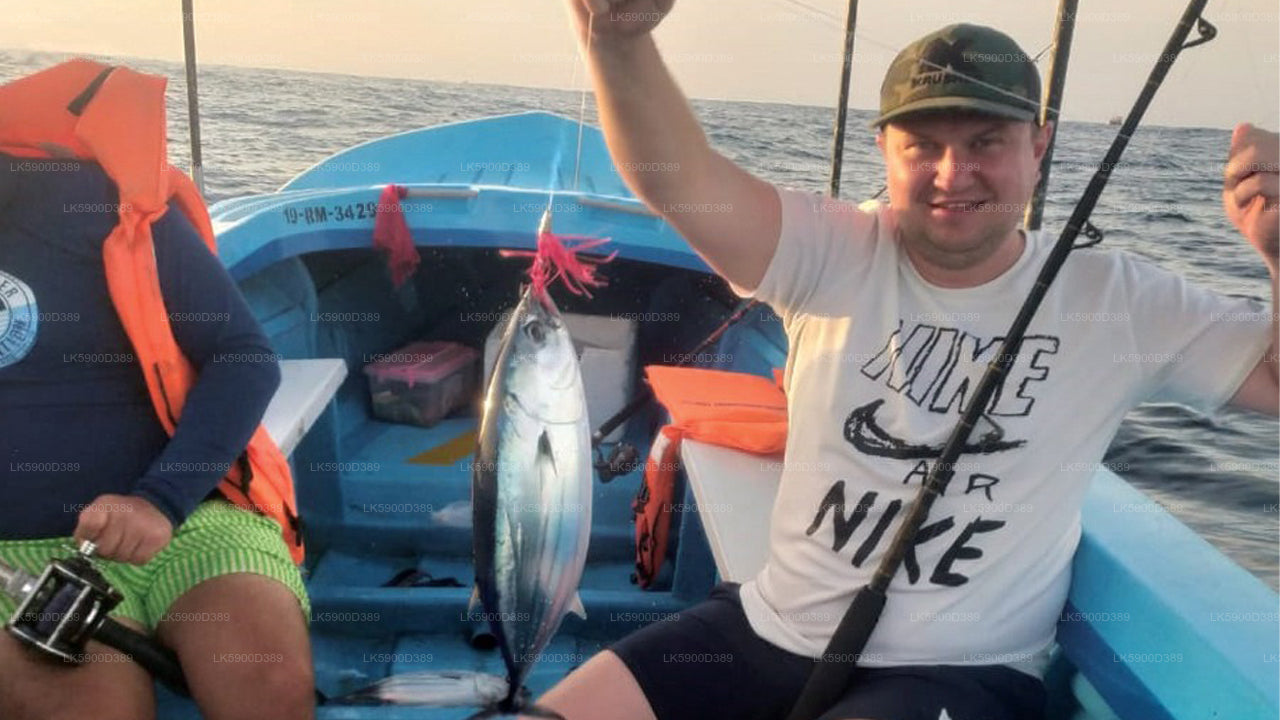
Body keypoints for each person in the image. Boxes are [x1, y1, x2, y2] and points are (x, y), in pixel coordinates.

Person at [538, 3, 1280, 720]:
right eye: (922, 144)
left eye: (986, 141)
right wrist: (619, 43)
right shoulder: (828, 249)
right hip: (768, 629)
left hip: (962, 673)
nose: (953, 173)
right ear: (883, 149)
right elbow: (681, 183)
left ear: (1040, 145)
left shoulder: (1118, 300)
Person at [0, 62, 314, 720]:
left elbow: (243, 355)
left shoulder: (93, 203)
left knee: (267, 687)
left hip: (183, 522)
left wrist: (159, 502)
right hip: (10, 562)